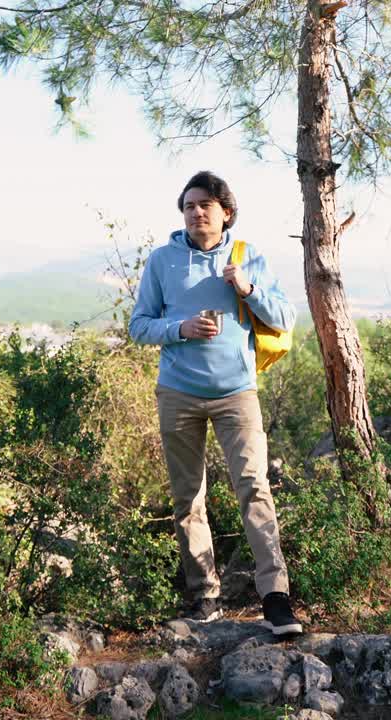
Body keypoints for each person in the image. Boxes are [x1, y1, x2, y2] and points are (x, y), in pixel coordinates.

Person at [129, 170, 303, 635]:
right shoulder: (163, 261)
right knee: (188, 499)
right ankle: (205, 597)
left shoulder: (249, 259)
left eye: (205, 204)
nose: (195, 211)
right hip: (178, 394)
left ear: (226, 212)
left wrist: (247, 288)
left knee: (255, 490)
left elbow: (287, 316)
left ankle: (276, 599)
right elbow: (139, 324)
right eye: (188, 205)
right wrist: (179, 329)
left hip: (236, 395)